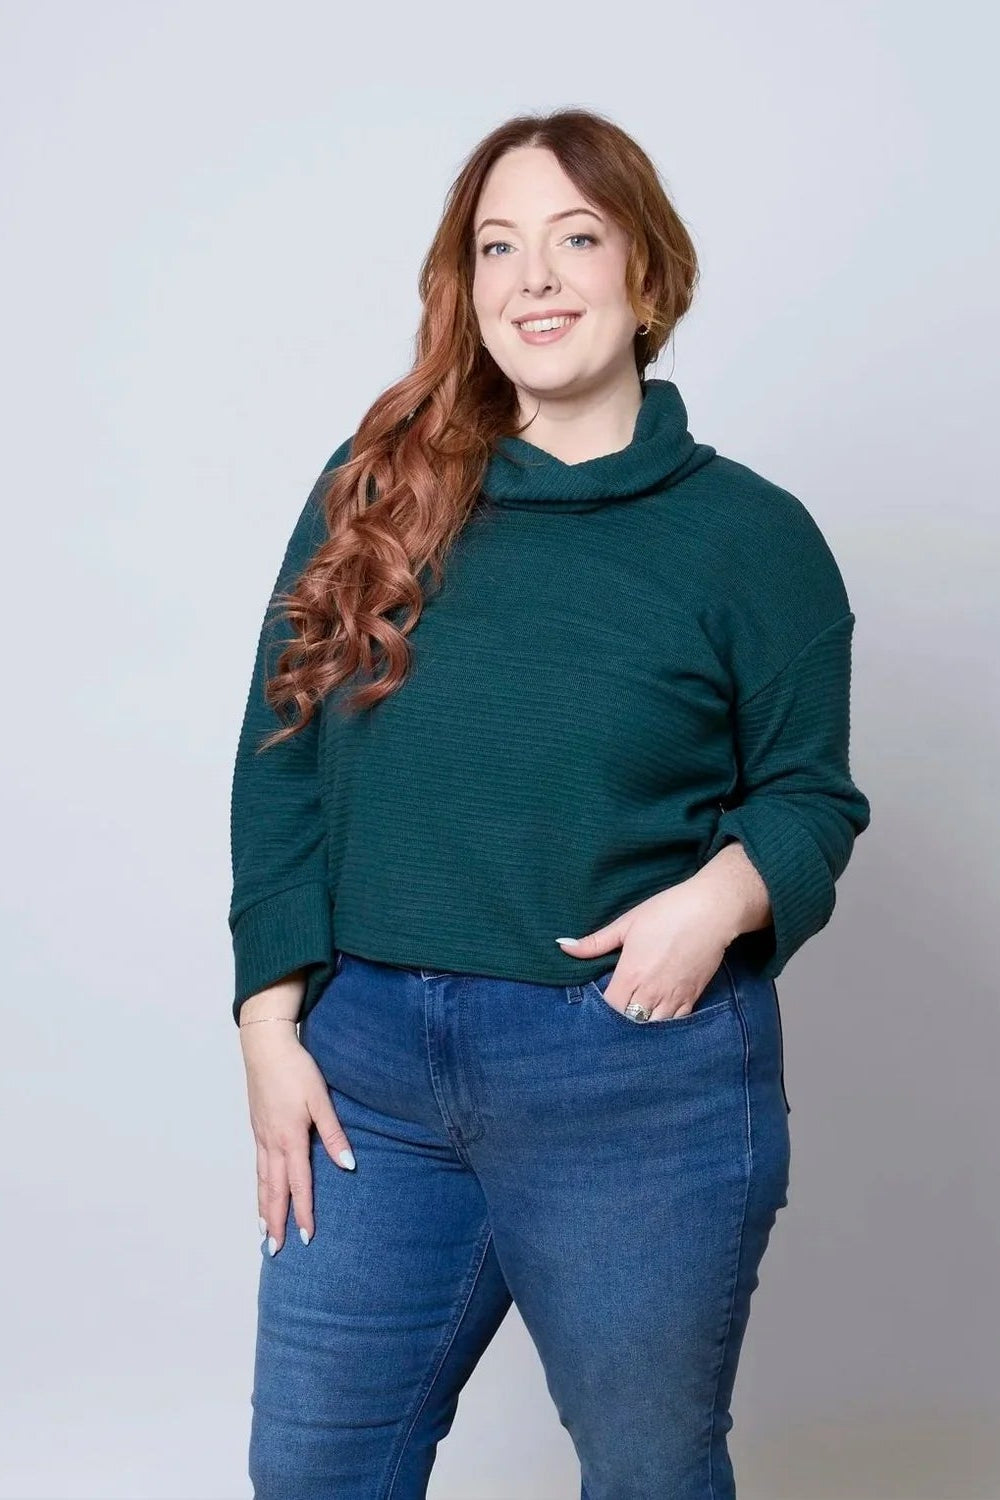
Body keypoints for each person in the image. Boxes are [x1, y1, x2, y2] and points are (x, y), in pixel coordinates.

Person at [228, 107, 871, 1500]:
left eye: (577, 237)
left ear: (648, 275)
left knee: (649, 1477)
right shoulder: (376, 496)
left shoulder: (751, 539)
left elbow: (813, 795)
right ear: (468, 289)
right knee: (314, 1475)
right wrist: (267, 1020)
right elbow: (280, 752)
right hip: (370, 1079)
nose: (535, 278)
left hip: (631, 1076)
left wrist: (720, 900)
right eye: (498, 246)